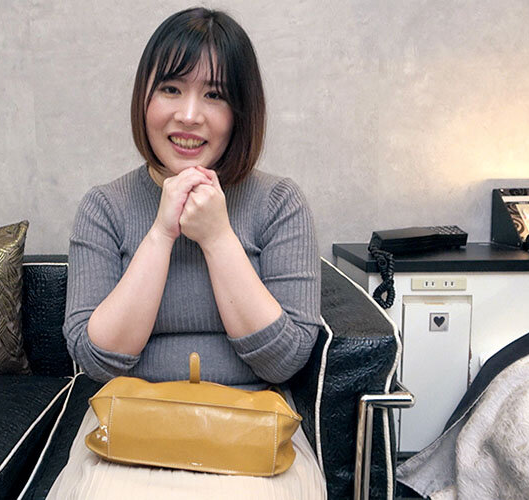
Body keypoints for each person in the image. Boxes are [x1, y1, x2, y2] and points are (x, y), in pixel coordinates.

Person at [49, 7, 325, 499]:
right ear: (144, 97)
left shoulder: (279, 203)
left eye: (214, 95)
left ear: (240, 111)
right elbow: (96, 360)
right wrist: (161, 233)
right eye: (171, 89)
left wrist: (217, 238)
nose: (190, 115)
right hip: (129, 431)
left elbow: (285, 359)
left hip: (252, 434)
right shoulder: (104, 207)